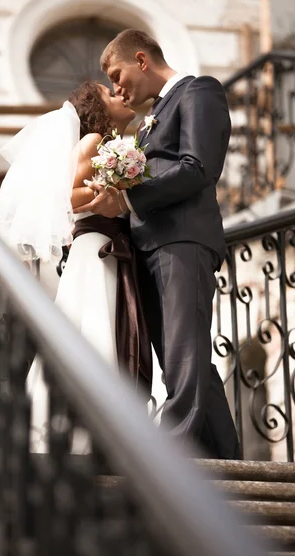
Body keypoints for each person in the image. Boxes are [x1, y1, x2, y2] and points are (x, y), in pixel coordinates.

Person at [74, 29, 241, 459]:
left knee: (183, 351)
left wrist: (128, 198)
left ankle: (166, 453)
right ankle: (229, 459)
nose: (116, 86)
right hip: (148, 247)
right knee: (184, 360)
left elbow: (198, 166)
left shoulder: (198, 91)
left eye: (117, 73)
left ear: (142, 60)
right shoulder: (152, 117)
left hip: (180, 240)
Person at [0, 81, 152, 453]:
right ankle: (92, 433)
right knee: (95, 333)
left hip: (106, 249)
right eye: (110, 94)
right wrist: (112, 191)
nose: (120, 94)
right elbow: (69, 195)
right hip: (96, 248)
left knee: (97, 330)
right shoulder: (93, 140)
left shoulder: (109, 143)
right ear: (97, 109)